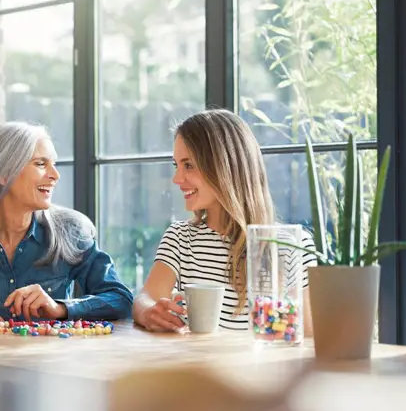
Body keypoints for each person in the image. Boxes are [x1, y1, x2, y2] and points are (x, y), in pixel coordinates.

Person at [0, 122, 133, 325]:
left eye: (53, 164)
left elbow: (121, 299)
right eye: (41, 164)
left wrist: (60, 308)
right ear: (3, 174)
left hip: (48, 356)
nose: (55, 175)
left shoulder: (70, 230)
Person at [132, 110, 316, 332]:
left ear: (224, 167)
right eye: (176, 165)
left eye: (188, 165)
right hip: (195, 366)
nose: (177, 178)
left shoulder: (293, 244)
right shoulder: (180, 238)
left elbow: (309, 336)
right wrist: (149, 312)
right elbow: (146, 297)